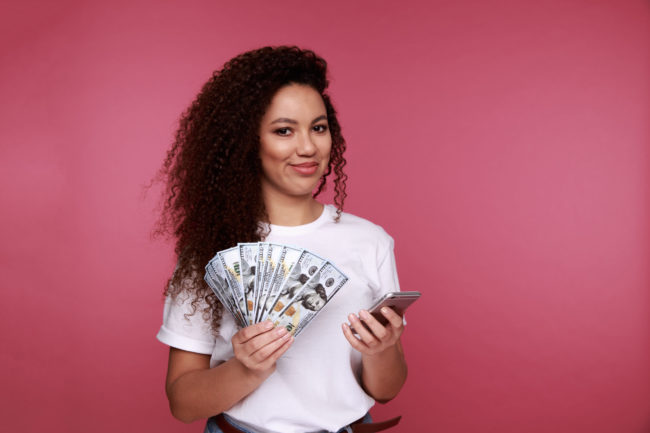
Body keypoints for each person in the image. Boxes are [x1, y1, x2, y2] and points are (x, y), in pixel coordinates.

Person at [156, 46, 407, 433]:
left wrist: (382, 349)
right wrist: (247, 369)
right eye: (284, 130)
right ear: (247, 142)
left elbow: (386, 389)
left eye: (318, 127)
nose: (307, 147)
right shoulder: (210, 250)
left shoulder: (370, 241)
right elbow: (183, 402)